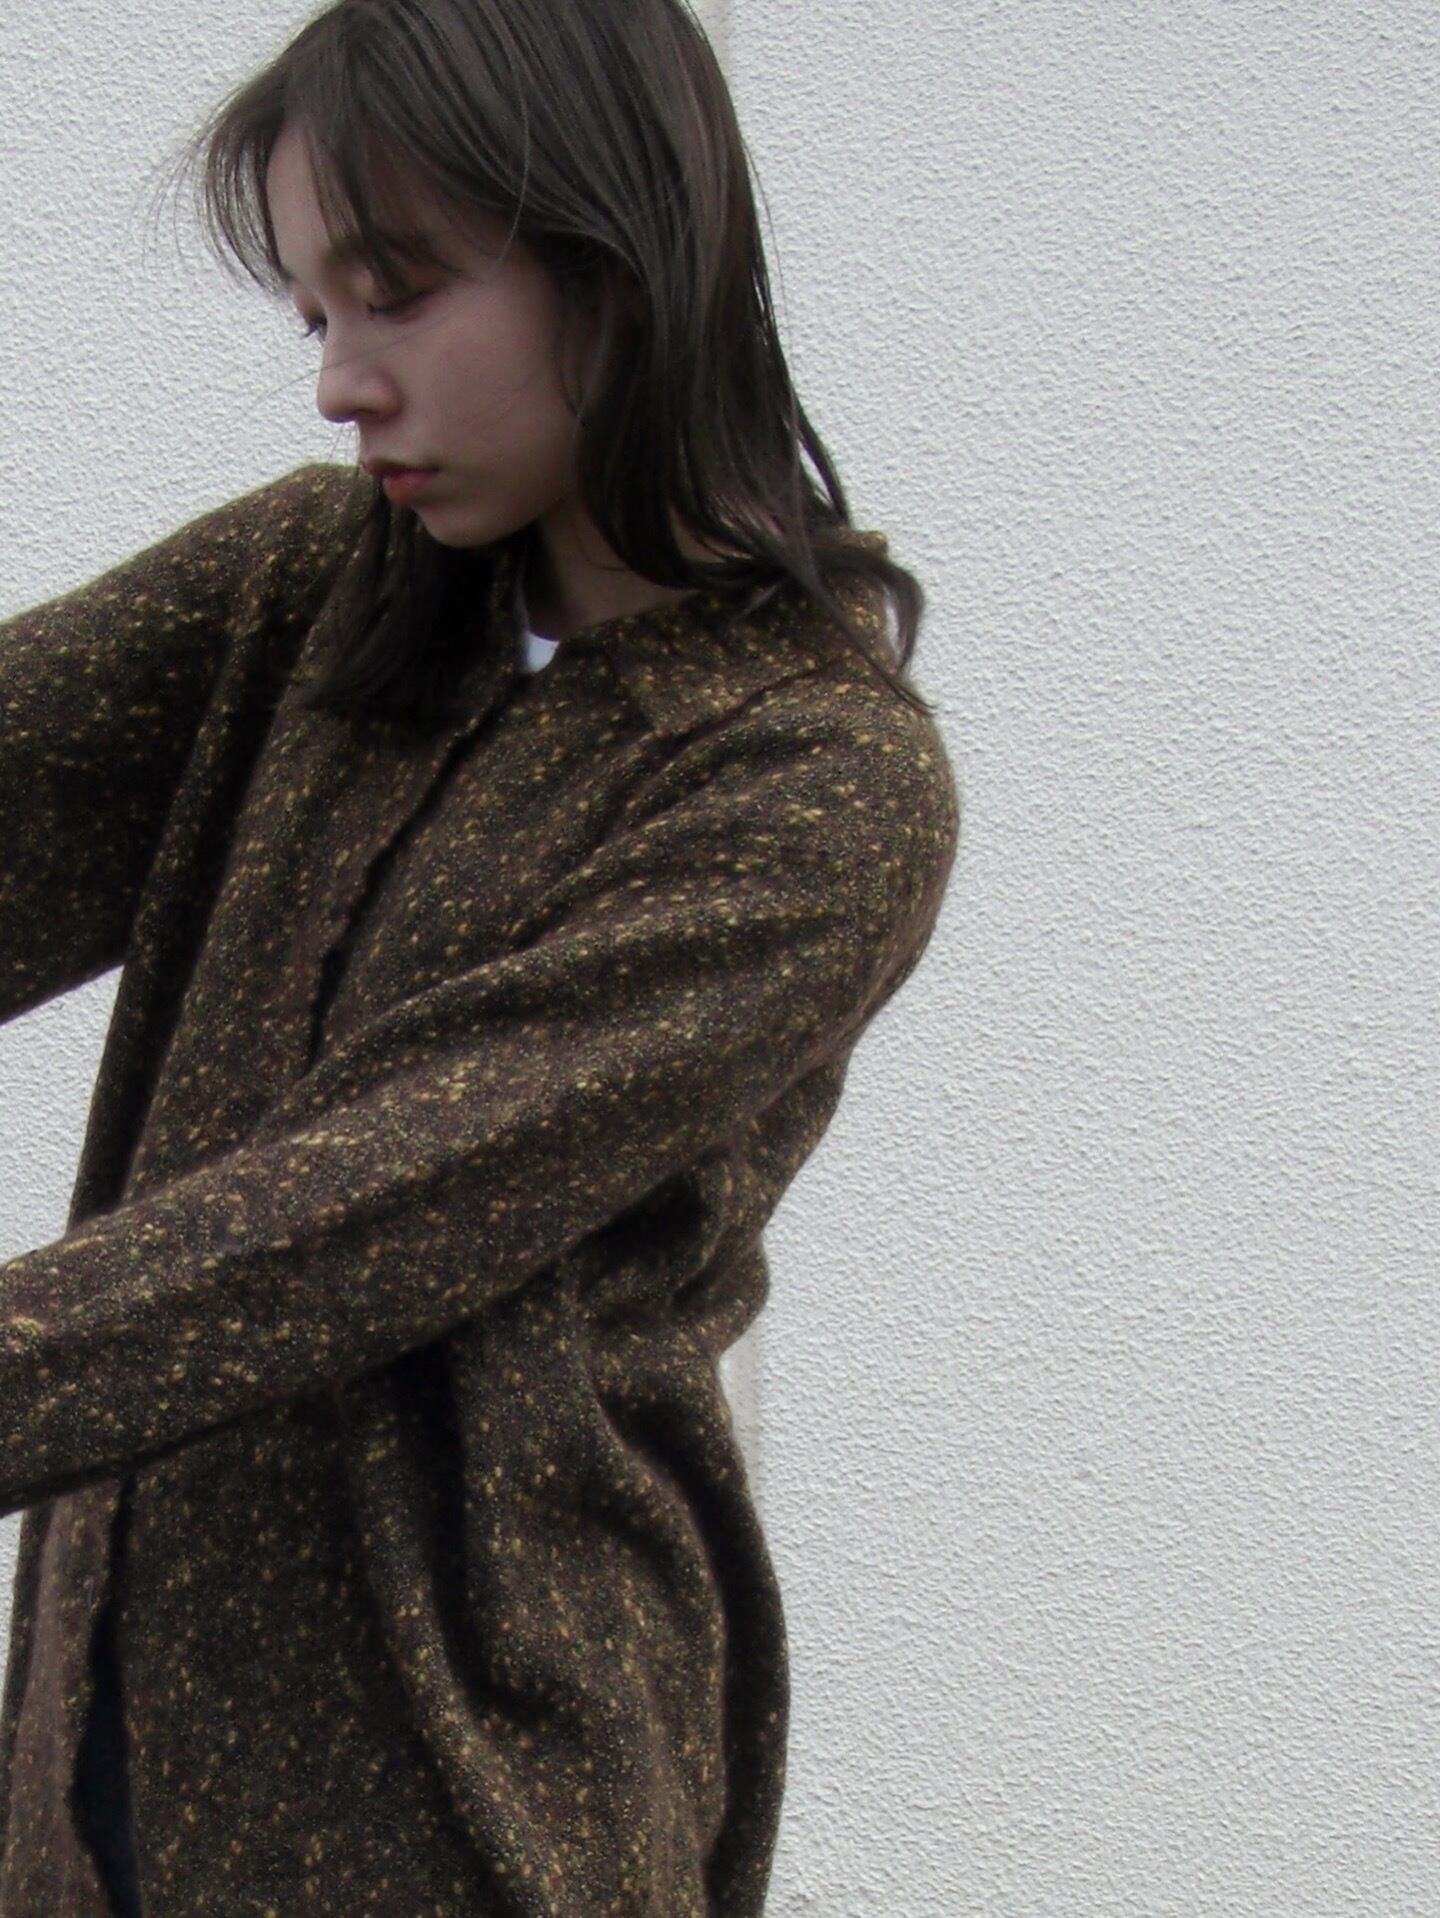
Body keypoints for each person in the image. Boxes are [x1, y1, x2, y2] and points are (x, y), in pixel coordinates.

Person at [0, 1, 960, 1912]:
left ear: (621, 257)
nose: (341, 384)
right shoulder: (314, 589)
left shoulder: (812, 780)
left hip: (474, 1793)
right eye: (314, 315)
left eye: (400, 292)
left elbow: (348, 1217)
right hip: (100, 1769)